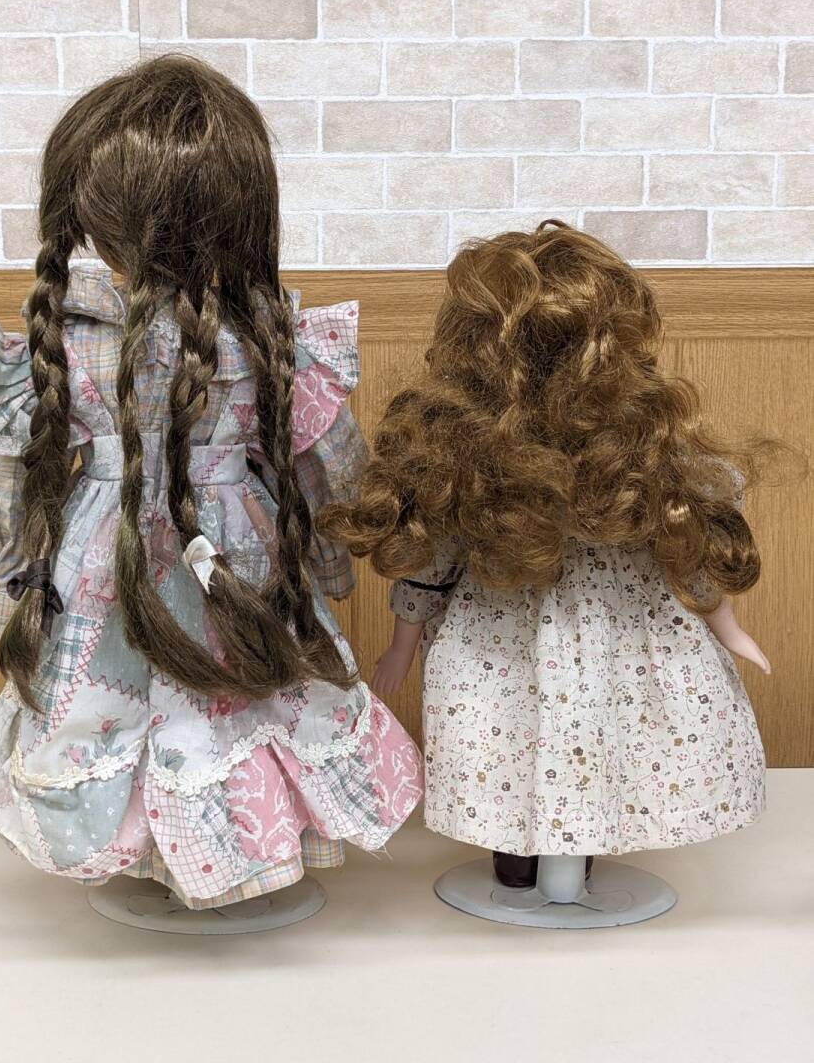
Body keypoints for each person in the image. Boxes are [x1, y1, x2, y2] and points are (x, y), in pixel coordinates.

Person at [0, 55, 423, 910]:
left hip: (108, 564)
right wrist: (328, 566)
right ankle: (204, 856)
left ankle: (194, 861)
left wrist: (5, 581)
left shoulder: (72, 344)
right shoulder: (267, 340)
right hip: (234, 562)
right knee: (236, 707)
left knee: (124, 704)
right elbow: (332, 471)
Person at [320, 221, 772, 888]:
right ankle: (529, 866)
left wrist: (726, 625)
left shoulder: (641, 452)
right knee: (513, 750)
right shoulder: (470, 459)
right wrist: (399, 646)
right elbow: (431, 561)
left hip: (600, 642)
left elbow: (686, 538)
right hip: (515, 651)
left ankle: (554, 867)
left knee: (589, 750)